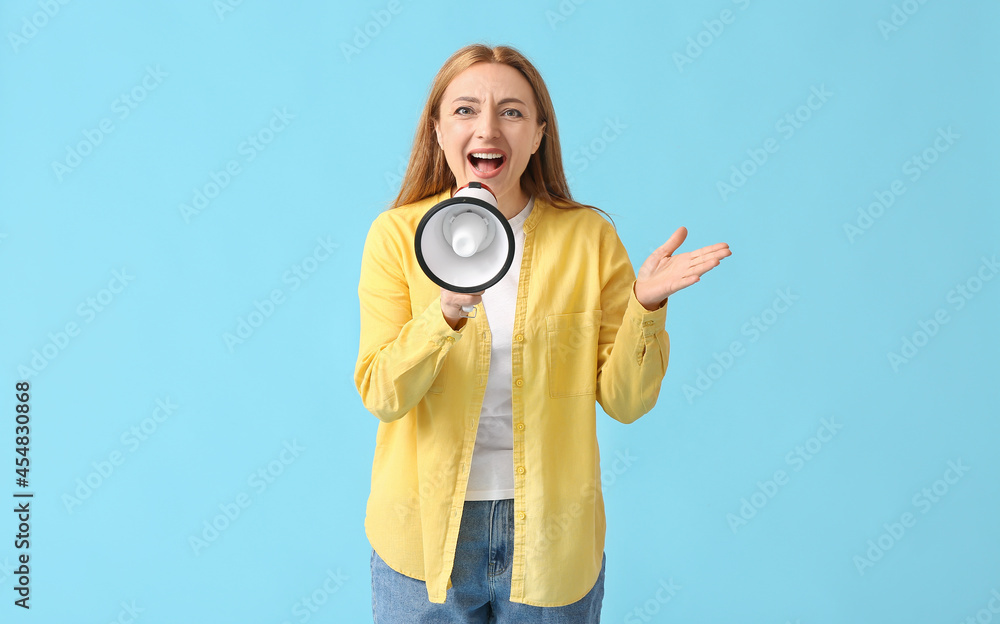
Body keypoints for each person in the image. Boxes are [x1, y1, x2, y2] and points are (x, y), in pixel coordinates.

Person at [355, 43, 731, 623]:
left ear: (538, 134)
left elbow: (626, 402)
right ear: (436, 130)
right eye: (464, 110)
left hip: (553, 538)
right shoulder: (395, 236)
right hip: (421, 536)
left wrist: (645, 306)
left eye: (511, 111)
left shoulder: (589, 239)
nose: (488, 128)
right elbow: (383, 393)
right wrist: (446, 312)